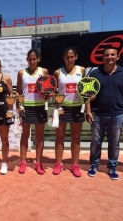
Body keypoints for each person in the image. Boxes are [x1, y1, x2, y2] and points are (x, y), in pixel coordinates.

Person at [86, 46, 123, 180]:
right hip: (97, 114)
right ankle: (94, 165)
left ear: (117, 57)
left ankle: (112, 167)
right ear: (103, 58)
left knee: (114, 143)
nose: (109, 57)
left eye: (112, 55)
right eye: (107, 55)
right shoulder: (95, 74)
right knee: (95, 142)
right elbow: (87, 95)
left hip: (117, 114)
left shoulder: (122, 73)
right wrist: (88, 111)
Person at [52, 47, 86, 177]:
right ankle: (58, 163)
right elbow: (52, 91)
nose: (69, 59)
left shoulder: (81, 70)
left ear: (76, 57)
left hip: (77, 107)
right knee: (59, 137)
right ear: (64, 58)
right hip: (61, 108)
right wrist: (53, 98)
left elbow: (85, 89)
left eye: (72, 57)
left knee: (75, 138)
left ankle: (75, 165)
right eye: (67, 57)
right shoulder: (57, 72)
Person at [16, 49, 49, 175]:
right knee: (25, 135)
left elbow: (48, 89)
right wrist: (18, 106)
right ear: (27, 60)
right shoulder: (21, 73)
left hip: (40, 107)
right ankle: (23, 162)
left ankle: (38, 162)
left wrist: (49, 95)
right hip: (26, 108)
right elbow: (18, 91)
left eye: (34, 59)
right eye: (30, 59)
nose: (32, 61)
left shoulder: (44, 71)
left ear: (38, 59)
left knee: (39, 136)